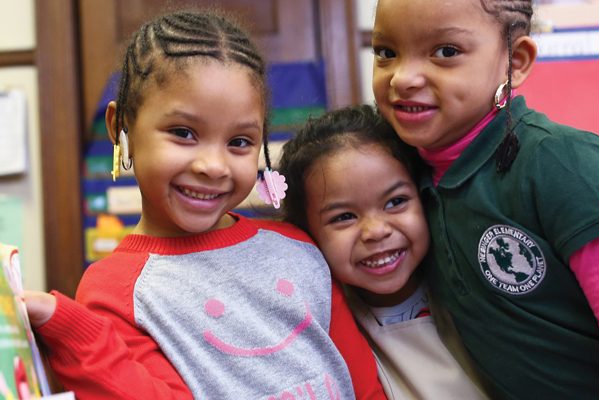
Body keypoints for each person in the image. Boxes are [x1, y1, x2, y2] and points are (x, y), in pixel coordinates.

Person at [22, 10, 386, 400]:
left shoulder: (298, 247)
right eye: (183, 133)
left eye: (240, 142)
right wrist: (73, 330)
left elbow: (364, 385)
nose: (213, 166)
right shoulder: (113, 290)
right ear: (120, 126)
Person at [370, 0, 599, 398]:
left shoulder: (565, 164)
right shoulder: (398, 177)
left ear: (516, 61)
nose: (402, 77)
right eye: (386, 52)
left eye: (446, 52)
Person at [279, 104, 488, 399]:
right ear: (306, 233)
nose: (376, 231)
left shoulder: (476, 286)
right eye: (343, 217)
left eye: (395, 202)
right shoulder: (321, 328)